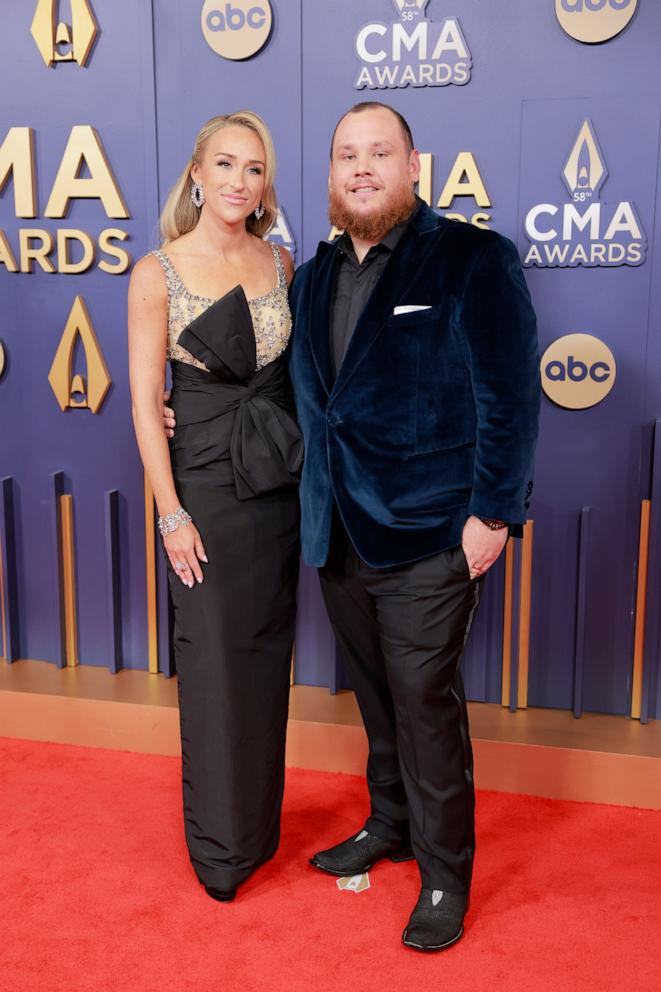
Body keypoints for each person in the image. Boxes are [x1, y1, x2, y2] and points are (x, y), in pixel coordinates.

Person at [287, 102, 540, 951]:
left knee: (426, 706)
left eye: (378, 153)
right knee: (376, 699)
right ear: (330, 175)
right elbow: (307, 403)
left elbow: (508, 397)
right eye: (345, 156)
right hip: (338, 533)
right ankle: (388, 823)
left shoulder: (471, 257)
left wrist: (494, 512)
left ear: (413, 166)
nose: (360, 168)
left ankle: (443, 874)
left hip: (433, 532)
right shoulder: (312, 276)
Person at [128, 111, 302, 903]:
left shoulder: (279, 261)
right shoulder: (155, 270)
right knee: (212, 661)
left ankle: (259, 832)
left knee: (266, 657)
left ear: (265, 185)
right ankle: (221, 850)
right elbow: (142, 404)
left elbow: (291, 378)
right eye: (225, 164)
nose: (238, 180)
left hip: (274, 487)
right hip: (202, 489)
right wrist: (169, 512)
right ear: (196, 173)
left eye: (254, 168)